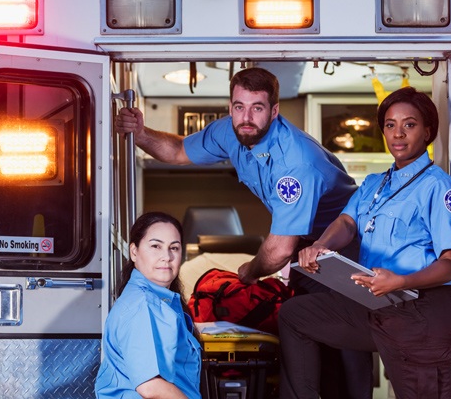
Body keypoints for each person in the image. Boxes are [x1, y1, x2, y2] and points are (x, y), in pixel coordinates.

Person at [114, 67, 371, 399]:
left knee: (345, 344)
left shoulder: (296, 163)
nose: (246, 117)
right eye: (239, 106)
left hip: (346, 244)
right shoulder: (231, 131)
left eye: (257, 108)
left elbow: (278, 250)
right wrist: (140, 131)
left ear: (274, 111)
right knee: (302, 333)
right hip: (305, 247)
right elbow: (178, 151)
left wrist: (249, 273)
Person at [279, 86, 451, 399]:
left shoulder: (439, 187)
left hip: (421, 308)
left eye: (409, 124)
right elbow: (347, 222)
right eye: (390, 125)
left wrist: (401, 280)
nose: (398, 134)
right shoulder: (373, 184)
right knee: (295, 315)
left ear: (427, 132)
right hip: (376, 303)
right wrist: (321, 246)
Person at [95, 212, 201, 399]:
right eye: (155, 246)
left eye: (174, 248)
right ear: (134, 252)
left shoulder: (161, 301)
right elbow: (151, 388)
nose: (166, 257)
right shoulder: (142, 306)